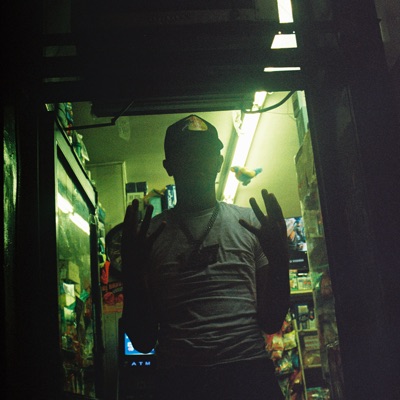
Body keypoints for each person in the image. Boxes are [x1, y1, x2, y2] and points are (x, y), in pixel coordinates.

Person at [121, 115, 290, 400]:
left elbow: (271, 321)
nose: (196, 161)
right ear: (169, 165)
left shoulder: (250, 224)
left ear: (218, 162)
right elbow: (142, 340)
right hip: (181, 381)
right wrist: (133, 273)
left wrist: (280, 259)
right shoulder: (149, 237)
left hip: (247, 373)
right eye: (186, 153)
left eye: (204, 153)